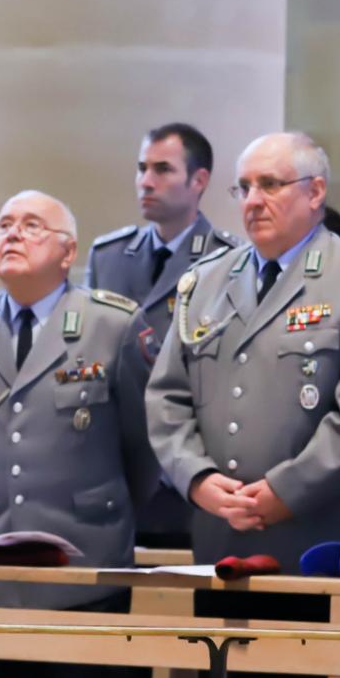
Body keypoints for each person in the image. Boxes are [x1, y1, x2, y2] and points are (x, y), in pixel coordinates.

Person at [146, 132, 340, 678]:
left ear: (315, 193)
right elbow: (166, 399)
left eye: (271, 184)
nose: (254, 200)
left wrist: (284, 491)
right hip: (227, 545)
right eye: (245, 187)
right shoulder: (203, 283)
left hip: (328, 546)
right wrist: (201, 481)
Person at [0, 190, 160, 678]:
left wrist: (98, 507)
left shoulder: (112, 324)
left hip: (83, 568)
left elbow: (143, 448)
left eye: (32, 226)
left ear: (67, 254)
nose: (13, 234)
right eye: (4, 224)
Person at [86, 123, 235, 548]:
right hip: (119, 472)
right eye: (141, 168)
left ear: (199, 180)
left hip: (189, 474)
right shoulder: (110, 256)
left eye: (163, 170)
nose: (146, 182)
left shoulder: (228, 261)